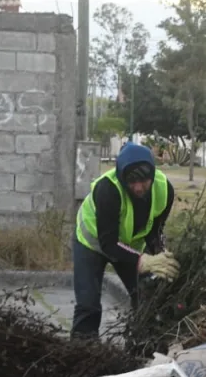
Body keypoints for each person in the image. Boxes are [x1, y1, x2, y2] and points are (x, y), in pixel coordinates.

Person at [72, 143, 180, 338]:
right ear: (121, 177)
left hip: (127, 248)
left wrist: (160, 256)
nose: (138, 188)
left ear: (153, 174)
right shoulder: (108, 190)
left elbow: (155, 231)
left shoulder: (165, 190)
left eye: (144, 181)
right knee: (88, 304)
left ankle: (139, 347)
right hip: (92, 244)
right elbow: (109, 244)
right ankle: (82, 348)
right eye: (131, 182)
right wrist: (143, 261)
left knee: (146, 295)